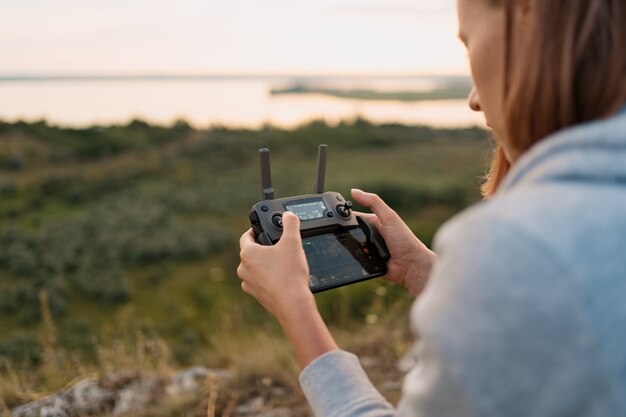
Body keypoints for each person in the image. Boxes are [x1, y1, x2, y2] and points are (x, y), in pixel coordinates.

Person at [237, 0, 626, 415]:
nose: (474, 100)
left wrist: (294, 308)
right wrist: (423, 270)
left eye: (469, 45)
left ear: (527, 15)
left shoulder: (522, 244)